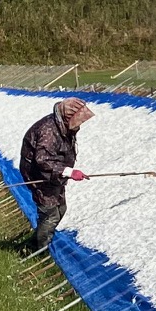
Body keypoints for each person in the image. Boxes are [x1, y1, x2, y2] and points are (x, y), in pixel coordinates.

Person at [18, 98, 93, 251]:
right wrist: (69, 172)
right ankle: (38, 250)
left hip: (54, 176)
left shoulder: (62, 126)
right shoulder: (49, 131)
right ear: (68, 117)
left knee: (60, 209)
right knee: (50, 214)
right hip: (40, 177)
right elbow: (43, 161)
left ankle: (35, 242)